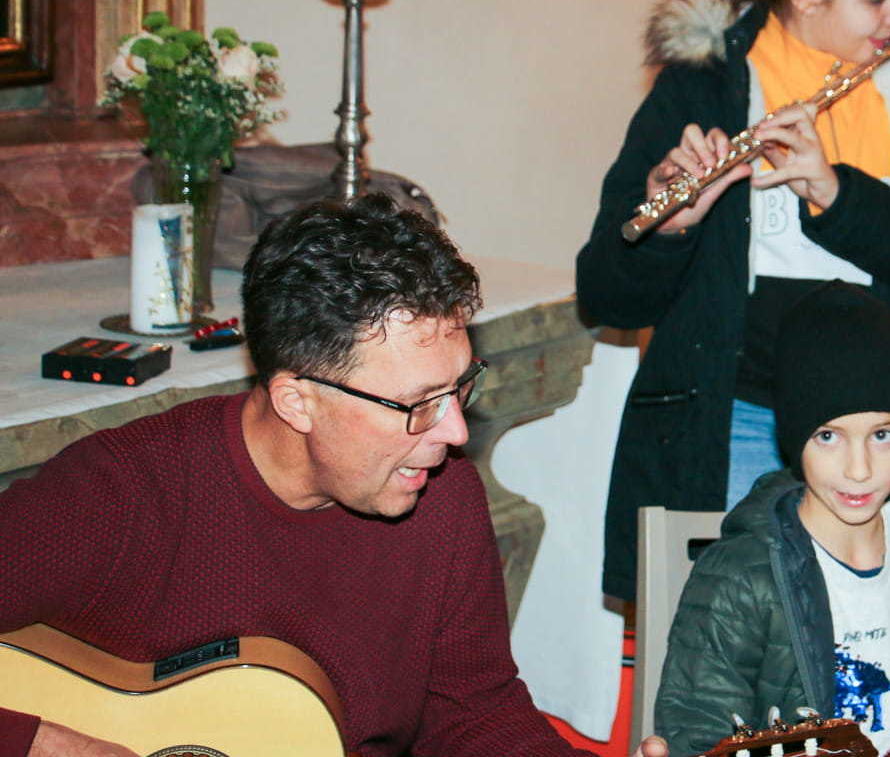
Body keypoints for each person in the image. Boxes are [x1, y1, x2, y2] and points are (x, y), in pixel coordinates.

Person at [0, 194, 666, 757]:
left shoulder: (441, 494)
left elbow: (473, 710)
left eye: (460, 386)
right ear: (297, 402)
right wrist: (49, 744)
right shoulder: (124, 493)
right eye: (417, 403)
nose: (455, 432)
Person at [577, 0, 890, 601]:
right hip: (732, 424)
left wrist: (836, 195)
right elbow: (606, 293)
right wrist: (667, 230)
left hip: (873, 435)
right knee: (731, 641)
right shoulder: (705, 83)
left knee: (865, 646)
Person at [655, 282, 890, 757]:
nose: (859, 469)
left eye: (882, 435)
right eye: (828, 436)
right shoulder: (739, 578)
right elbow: (697, 734)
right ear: (793, 437)